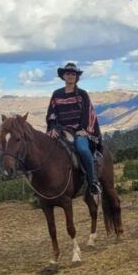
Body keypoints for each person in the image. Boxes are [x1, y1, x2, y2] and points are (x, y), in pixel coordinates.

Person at [46, 62, 103, 195]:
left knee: (83, 149)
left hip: (79, 131)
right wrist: (53, 128)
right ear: (63, 76)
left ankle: (93, 181)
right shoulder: (57, 94)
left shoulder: (82, 94)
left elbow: (88, 113)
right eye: (68, 74)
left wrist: (83, 129)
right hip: (61, 131)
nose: (71, 76)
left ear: (76, 77)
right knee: (44, 149)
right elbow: (52, 113)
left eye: (73, 74)